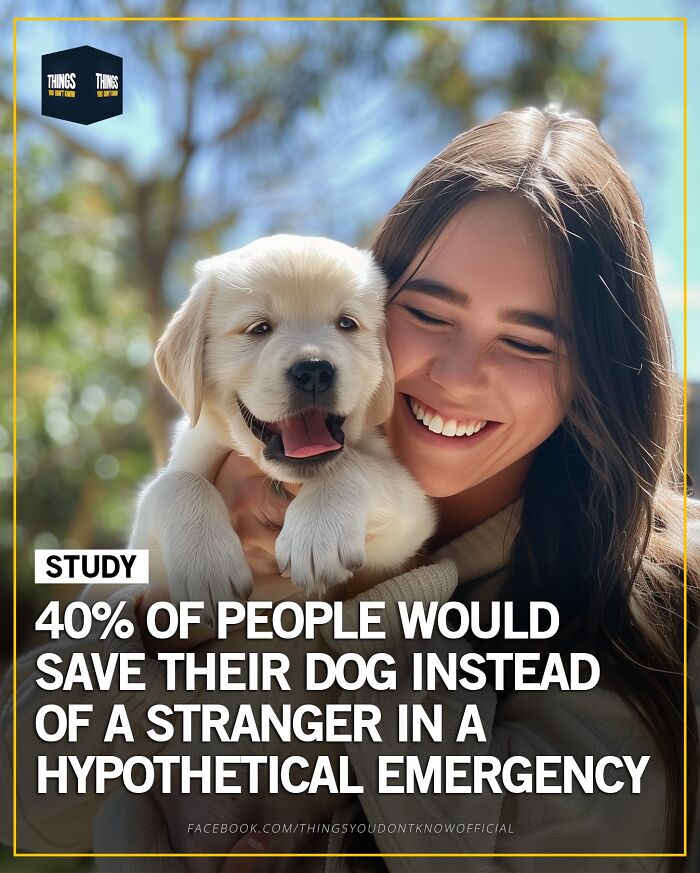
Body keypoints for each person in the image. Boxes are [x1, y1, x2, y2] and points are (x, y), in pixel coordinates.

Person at [2, 106, 698, 873]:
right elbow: (23, 791)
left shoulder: (656, 612)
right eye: (428, 313)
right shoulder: (224, 475)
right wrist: (156, 615)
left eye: (528, 341)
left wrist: (383, 592)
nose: (458, 376)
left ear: (595, 373)